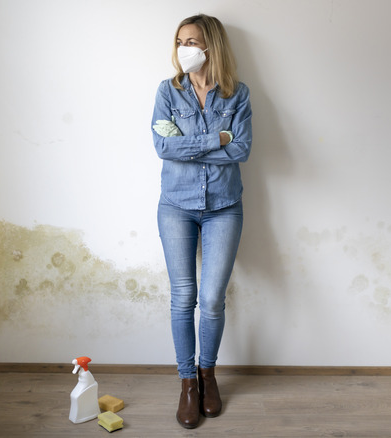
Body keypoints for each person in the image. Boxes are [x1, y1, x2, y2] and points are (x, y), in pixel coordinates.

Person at [151, 14, 252, 429]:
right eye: (178, 41)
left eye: (190, 40)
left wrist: (189, 144)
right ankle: (187, 383)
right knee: (183, 297)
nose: (182, 49)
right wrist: (217, 139)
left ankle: (209, 376)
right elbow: (162, 146)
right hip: (176, 204)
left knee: (211, 299)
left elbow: (242, 149)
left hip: (224, 206)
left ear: (211, 45)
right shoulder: (167, 91)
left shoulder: (238, 94)